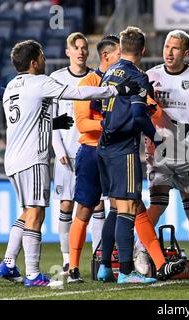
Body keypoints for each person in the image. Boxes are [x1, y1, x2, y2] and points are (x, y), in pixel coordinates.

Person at [0, 39, 139, 287]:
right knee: (36, 213)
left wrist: (52, 124)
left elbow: (27, 120)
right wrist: (116, 90)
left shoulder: (11, 86)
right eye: (41, 56)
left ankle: (9, 262)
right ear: (33, 62)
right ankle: (32, 274)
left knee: (28, 211)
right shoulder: (40, 82)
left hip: (13, 159)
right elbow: (78, 93)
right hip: (33, 159)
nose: (44, 60)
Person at [97, 26, 185, 284]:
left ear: (121, 47)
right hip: (123, 147)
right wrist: (157, 137)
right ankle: (125, 272)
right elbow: (137, 116)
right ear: (144, 50)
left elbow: (97, 105)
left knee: (114, 207)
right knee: (128, 208)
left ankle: (104, 266)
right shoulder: (138, 77)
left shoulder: (109, 72)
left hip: (104, 145)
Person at [138, 29, 189, 280]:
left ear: (186, 53)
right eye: (167, 47)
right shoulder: (151, 76)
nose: (169, 52)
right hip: (158, 152)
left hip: (188, 151)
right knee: (157, 205)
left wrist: (187, 126)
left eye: (175, 48)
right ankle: (141, 253)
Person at [66, 35, 121, 283]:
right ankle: (74, 267)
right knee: (85, 209)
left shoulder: (124, 80)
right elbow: (82, 123)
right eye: (120, 53)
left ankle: (112, 264)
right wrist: (111, 123)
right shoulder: (88, 82)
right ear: (107, 55)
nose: (124, 58)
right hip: (91, 152)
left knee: (124, 207)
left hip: (118, 152)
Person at [50, 33, 93, 274]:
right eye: (76, 48)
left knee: (95, 205)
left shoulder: (94, 78)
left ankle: (99, 257)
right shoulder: (56, 79)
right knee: (66, 205)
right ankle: (67, 259)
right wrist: (58, 149)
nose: (80, 51)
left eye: (84, 48)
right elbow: (52, 119)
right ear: (68, 52)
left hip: (89, 150)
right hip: (66, 153)